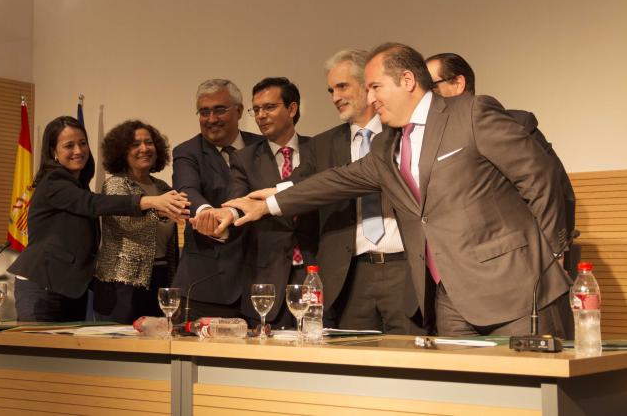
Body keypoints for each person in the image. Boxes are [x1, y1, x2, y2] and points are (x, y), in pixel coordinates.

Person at [225, 43, 573, 338]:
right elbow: (337, 180)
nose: (370, 97)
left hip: (516, 289)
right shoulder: (387, 145)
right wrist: (271, 203)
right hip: (447, 298)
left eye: (376, 87)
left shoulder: (470, 113)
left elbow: (541, 179)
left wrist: (548, 258)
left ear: (407, 80)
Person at [9, 116, 189, 322]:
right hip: (43, 285)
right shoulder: (54, 180)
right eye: (69, 145)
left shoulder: (77, 182)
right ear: (53, 153)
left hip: (72, 286)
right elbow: (93, 204)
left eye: (82, 143)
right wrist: (150, 203)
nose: (78, 151)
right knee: (38, 352)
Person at [295, 49, 421, 333]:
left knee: (411, 363)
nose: (335, 97)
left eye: (342, 86)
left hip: (405, 271)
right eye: (330, 90)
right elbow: (297, 188)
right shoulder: (322, 145)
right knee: (353, 365)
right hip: (350, 277)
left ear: (368, 85)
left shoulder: (402, 133)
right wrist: (254, 202)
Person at [193, 77, 317, 327]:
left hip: (315, 272)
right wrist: (227, 215)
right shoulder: (245, 158)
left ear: (292, 109)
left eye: (269, 107)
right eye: (256, 109)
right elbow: (238, 201)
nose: (261, 115)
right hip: (267, 275)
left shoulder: (319, 150)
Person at [425, 52, 576, 239]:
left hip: (522, 253)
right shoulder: (426, 143)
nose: (426, 98)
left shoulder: (519, 124)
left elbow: (557, 189)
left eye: (432, 87)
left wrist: (554, 251)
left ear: (457, 83)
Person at [171, 79, 264, 320]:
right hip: (207, 286)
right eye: (204, 111)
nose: (211, 118)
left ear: (240, 111)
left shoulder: (262, 146)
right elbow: (187, 189)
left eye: (219, 109)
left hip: (263, 284)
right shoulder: (187, 152)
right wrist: (205, 213)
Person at [91, 120, 180, 324]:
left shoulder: (163, 187)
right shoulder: (115, 184)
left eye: (149, 142)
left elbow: (171, 245)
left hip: (160, 277)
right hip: (122, 284)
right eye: (135, 144)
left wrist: (174, 286)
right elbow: (127, 223)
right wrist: (160, 210)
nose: (144, 149)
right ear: (121, 151)